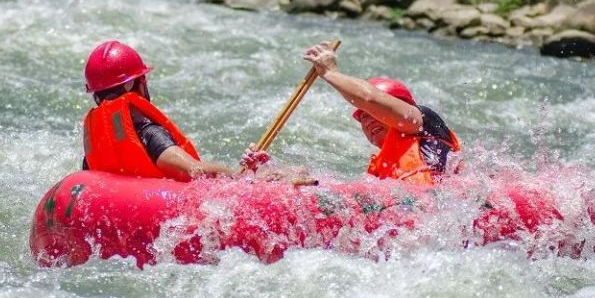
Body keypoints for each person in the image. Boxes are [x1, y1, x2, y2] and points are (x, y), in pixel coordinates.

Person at [82, 40, 262, 181]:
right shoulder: (150, 135)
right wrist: (239, 177)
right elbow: (195, 170)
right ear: (131, 85)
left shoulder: (94, 147)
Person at [302, 41, 461, 185]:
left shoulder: (426, 124)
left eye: (373, 114)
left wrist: (330, 73)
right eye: (363, 117)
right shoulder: (380, 171)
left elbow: (369, 98)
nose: (367, 121)